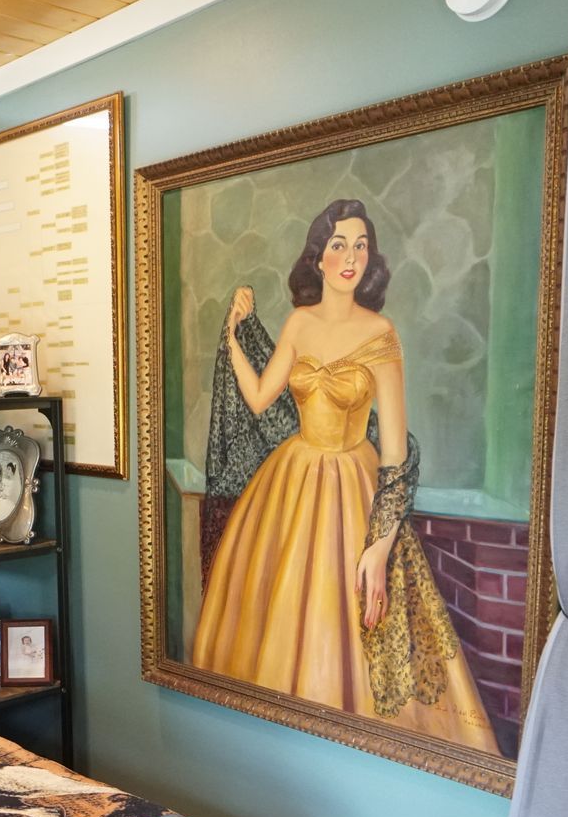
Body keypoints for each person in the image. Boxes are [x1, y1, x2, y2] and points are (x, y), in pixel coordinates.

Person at [191, 199, 496, 752]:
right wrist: (233, 337)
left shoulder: (380, 332)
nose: (350, 255)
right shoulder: (300, 322)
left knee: (351, 632)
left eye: (360, 245)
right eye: (338, 245)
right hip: (289, 484)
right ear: (318, 258)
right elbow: (261, 400)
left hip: (353, 490)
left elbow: (396, 455)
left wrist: (378, 550)